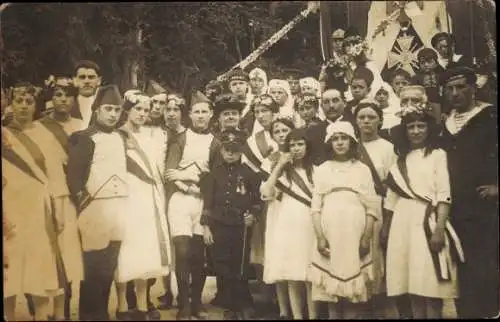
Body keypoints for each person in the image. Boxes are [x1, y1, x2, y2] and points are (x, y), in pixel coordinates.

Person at [383, 87, 464, 318]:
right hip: (402, 224)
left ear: (429, 129)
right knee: (411, 286)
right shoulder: (400, 160)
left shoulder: (437, 154)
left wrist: (439, 229)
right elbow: (391, 198)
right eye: (411, 127)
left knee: (430, 285)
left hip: (427, 222)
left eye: (421, 126)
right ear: (404, 131)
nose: (416, 131)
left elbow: (444, 194)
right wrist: (387, 229)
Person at [439, 67, 499, 318]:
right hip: (455, 205)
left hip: (483, 206)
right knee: (459, 263)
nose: (456, 93)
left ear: (474, 88)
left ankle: (490, 311)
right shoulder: (445, 123)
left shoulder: (489, 116)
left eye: (461, 87)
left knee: (484, 262)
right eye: (450, 89)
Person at [2, 83, 64, 321]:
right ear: (11, 104)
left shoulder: (44, 134)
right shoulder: (4, 134)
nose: (24, 107)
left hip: (39, 210)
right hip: (12, 210)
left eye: (29, 102)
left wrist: (57, 209)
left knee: (40, 273)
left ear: (35, 106)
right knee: (9, 277)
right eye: (19, 101)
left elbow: (54, 175)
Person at [25, 77, 85, 320]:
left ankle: (63, 310)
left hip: (72, 197)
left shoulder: (81, 125)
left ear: (74, 99)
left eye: (68, 95)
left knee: (67, 254)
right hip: (43, 196)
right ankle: (37, 304)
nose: (63, 100)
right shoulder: (38, 127)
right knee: (42, 251)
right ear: (51, 98)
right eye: (58, 94)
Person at [67, 84, 128, 321]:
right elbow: (74, 178)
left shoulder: (122, 137)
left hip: (119, 207)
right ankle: (90, 316)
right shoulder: (83, 138)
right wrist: (87, 208)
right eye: (108, 109)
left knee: (109, 268)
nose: (113, 114)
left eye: (117, 109)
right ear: (97, 110)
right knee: (93, 269)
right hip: (95, 208)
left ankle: (102, 312)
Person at [309, 121, 379, 319]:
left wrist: (366, 237)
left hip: (354, 230)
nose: (339, 143)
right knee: (331, 290)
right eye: (335, 139)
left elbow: (371, 207)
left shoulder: (362, 169)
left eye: (344, 138)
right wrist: (320, 237)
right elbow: (315, 207)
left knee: (353, 288)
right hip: (330, 229)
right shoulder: (322, 168)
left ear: (352, 141)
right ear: (329, 143)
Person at [164, 90, 220, 320]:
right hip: (180, 199)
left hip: (202, 201)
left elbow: (214, 177)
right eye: (196, 112)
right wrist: (188, 183)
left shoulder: (215, 142)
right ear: (189, 115)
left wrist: (190, 177)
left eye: (204, 112)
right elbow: (170, 172)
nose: (200, 116)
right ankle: (183, 304)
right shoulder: (180, 138)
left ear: (211, 114)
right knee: (183, 250)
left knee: (199, 255)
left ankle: (196, 303)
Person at [200, 128, 263, 320]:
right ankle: (229, 302)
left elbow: (257, 201)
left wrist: (252, 214)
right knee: (222, 265)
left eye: (234, 149)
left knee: (240, 265)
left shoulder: (249, 173)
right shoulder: (213, 173)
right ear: (221, 151)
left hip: (240, 226)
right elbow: (207, 203)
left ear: (241, 151)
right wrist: (206, 227)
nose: (230, 153)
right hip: (219, 225)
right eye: (227, 149)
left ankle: (241, 304)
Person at [260, 128, 318, 320]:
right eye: (292, 145)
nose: (296, 148)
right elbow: (266, 193)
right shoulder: (283, 174)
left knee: (310, 275)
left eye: (300, 144)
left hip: (310, 224)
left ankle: (313, 315)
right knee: (293, 274)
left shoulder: (317, 171)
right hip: (288, 225)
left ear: (308, 147)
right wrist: (279, 166)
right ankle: (297, 316)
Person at [354, 99, 399, 318]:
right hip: (355, 208)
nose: (366, 121)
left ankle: (380, 299)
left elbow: (393, 185)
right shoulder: (350, 145)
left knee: (377, 252)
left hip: (380, 206)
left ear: (380, 120)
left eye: (371, 117)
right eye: (361, 117)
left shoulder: (388, 148)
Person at [258, 117, 295, 319]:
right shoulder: (270, 159)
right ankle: (283, 309)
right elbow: (264, 191)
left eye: (285, 130)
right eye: (277, 132)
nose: (282, 135)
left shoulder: (302, 153)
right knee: (279, 256)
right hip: (277, 210)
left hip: (298, 210)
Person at [307, 89, 355, 166]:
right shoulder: (313, 132)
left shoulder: (355, 127)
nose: (331, 105)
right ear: (321, 106)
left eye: (335, 101)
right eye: (326, 102)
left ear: (344, 103)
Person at [412, 48, 445, 118]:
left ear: (436, 62)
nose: (426, 65)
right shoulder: (416, 78)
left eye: (429, 62)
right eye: (423, 62)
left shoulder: (443, 75)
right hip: (423, 107)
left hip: (442, 106)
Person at [72, 60, 102, 127]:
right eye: (82, 77)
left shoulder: (105, 108)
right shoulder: (67, 106)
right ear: (75, 81)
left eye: (91, 77)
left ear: (99, 81)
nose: (87, 81)